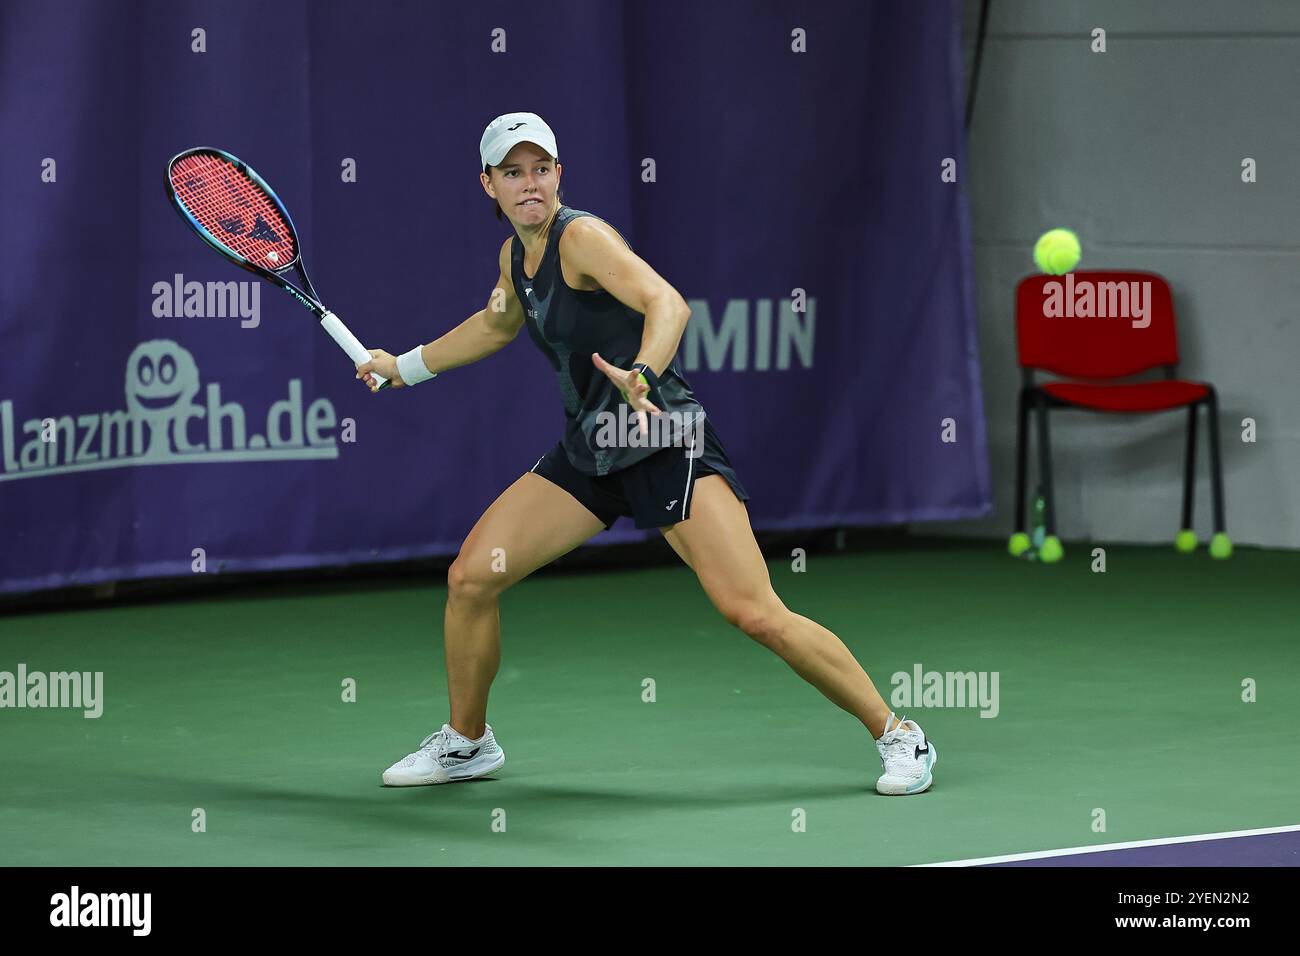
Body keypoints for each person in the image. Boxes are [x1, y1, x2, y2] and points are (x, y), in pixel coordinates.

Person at [355, 112, 937, 796]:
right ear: (488, 185)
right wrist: (405, 367)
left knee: (752, 611)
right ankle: (468, 743)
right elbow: (498, 321)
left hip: (659, 436)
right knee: (471, 578)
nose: (530, 183)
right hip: (591, 450)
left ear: (559, 174)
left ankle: (899, 734)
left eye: (541, 168)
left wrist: (644, 374)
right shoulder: (515, 259)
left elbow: (668, 302)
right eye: (512, 172)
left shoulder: (583, 237)